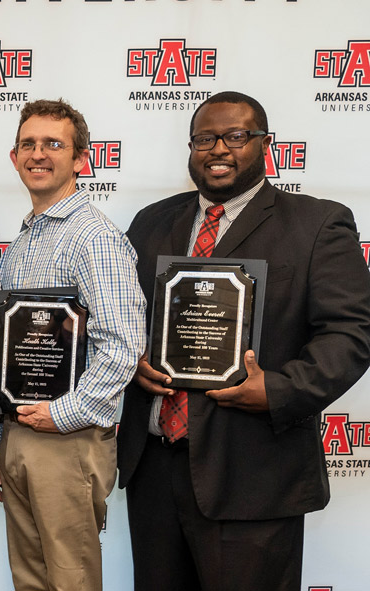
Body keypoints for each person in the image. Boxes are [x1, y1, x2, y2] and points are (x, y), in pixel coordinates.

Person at [118, 91, 370, 591]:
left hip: (255, 473)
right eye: (205, 138)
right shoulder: (150, 222)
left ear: (265, 144)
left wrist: (276, 390)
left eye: (236, 137)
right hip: (154, 470)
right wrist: (133, 361)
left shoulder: (317, 223)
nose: (219, 150)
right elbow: (125, 321)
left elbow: (350, 333)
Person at [0, 99, 145, 591]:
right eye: (28, 144)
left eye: (54, 144)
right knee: (30, 577)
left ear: (80, 159)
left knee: (70, 579)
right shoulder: (25, 240)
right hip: (20, 434)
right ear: (14, 158)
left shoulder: (93, 236)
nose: (38, 154)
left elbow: (123, 341)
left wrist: (67, 412)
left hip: (68, 439)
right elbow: (4, 353)